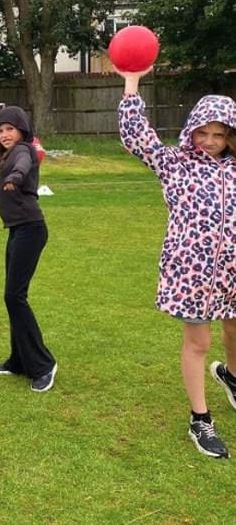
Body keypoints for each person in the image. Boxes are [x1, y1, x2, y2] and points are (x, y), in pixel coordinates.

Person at [117, 68, 236, 459]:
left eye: (219, 134)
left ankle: (231, 377)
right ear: (192, 130)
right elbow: (137, 137)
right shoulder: (174, 164)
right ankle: (200, 419)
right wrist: (131, 81)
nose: (210, 142)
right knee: (199, 342)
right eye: (203, 132)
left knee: (234, 329)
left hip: (233, 270)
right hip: (192, 272)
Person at [0, 106, 57, 392]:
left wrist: (15, 177)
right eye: (0, 130)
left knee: (14, 296)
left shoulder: (23, 150)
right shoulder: (7, 153)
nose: (5, 134)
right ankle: (18, 360)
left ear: (22, 131)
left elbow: (23, 165)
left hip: (31, 229)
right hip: (19, 229)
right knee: (12, 296)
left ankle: (43, 365)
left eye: (10, 129)